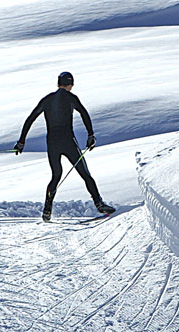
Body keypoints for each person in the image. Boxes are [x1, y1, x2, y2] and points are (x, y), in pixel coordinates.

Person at [14, 71, 114, 222]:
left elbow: (31, 119)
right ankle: (99, 204)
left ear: (58, 83)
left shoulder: (47, 99)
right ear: (71, 84)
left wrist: (21, 141)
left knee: (56, 176)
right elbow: (84, 114)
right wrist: (91, 135)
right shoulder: (71, 98)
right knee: (85, 174)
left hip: (52, 143)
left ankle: (47, 210)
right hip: (68, 142)